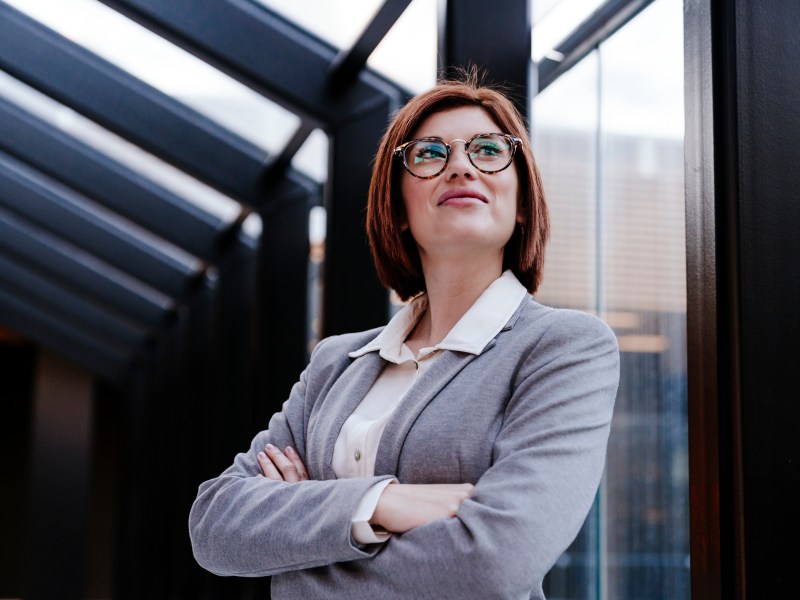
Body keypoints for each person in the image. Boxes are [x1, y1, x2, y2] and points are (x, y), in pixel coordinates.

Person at [189, 76, 620, 600]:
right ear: (397, 208)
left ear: (523, 200)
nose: (461, 166)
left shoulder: (564, 348)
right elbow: (215, 524)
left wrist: (299, 547)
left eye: (487, 151)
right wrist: (380, 504)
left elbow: (491, 564)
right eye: (430, 154)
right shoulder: (336, 362)